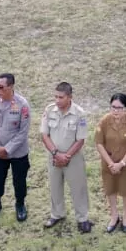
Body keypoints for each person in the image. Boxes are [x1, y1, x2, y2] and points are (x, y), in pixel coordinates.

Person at [41, 81, 92, 233]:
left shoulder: (79, 113)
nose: (57, 100)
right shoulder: (50, 110)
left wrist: (66, 156)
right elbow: (44, 135)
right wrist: (56, 154)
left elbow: (80, 139)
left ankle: (82, 218)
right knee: (55, 187)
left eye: (61, 97)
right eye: (55, 96)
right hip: (53, 157)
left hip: (73, 158)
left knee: (78, 188)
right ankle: (57, 214)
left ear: (70, 97)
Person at [0, 72, 33, 223]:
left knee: (19, 182)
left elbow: (23, 132)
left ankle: (20, 205)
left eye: (1, 87)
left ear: (11, 87)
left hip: (18, 153)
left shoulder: (22, 105)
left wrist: (7, 149)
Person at [95, 93, 126, 232]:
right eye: (113, 107)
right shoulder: (104, 121)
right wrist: (111, 163)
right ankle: (114, 216)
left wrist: (121, 163)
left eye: (119, 108)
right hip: (108, 165)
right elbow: (99, 143)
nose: (116, 111)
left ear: (125, 108)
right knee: (111, 190)